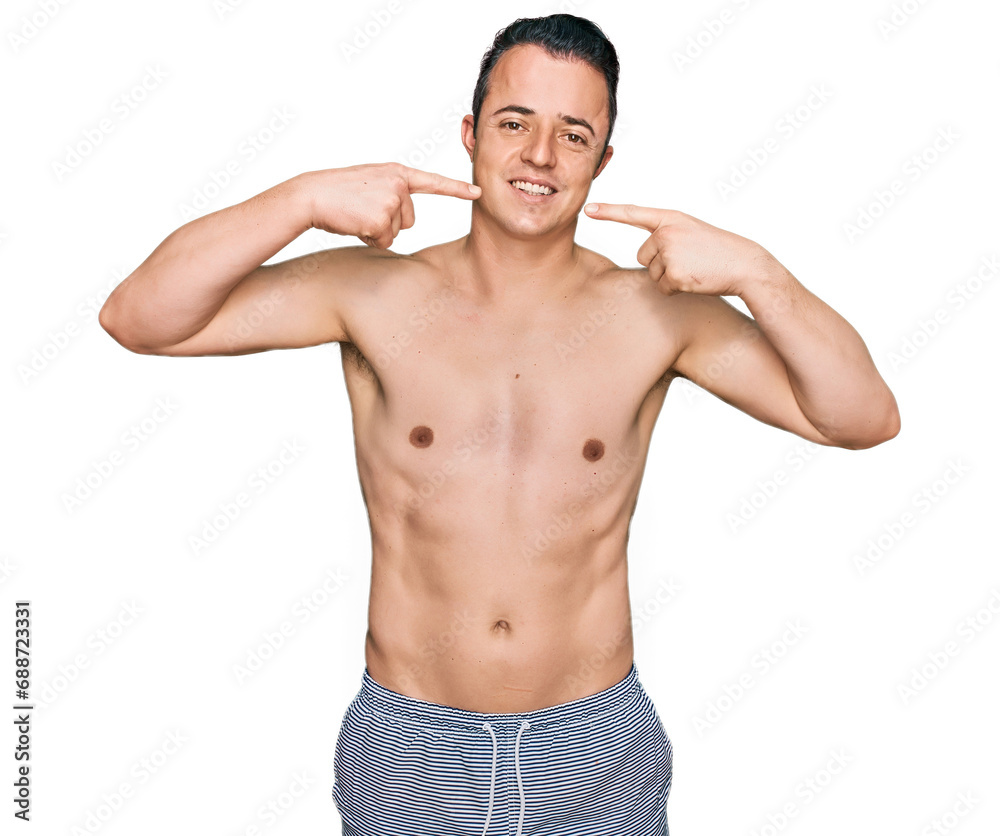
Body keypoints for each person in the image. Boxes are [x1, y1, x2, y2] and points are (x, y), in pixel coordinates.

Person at [99, 13, 900, 836]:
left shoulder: (655, 314)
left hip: (595, 748)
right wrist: (302, 198)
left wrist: (758, 274)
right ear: (470, 134)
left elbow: (861, 417)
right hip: (410, 748)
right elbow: (141, 318)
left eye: (574, 134)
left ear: (603, 160)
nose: (541, 157)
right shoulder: (374, 292)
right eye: (515, 123)